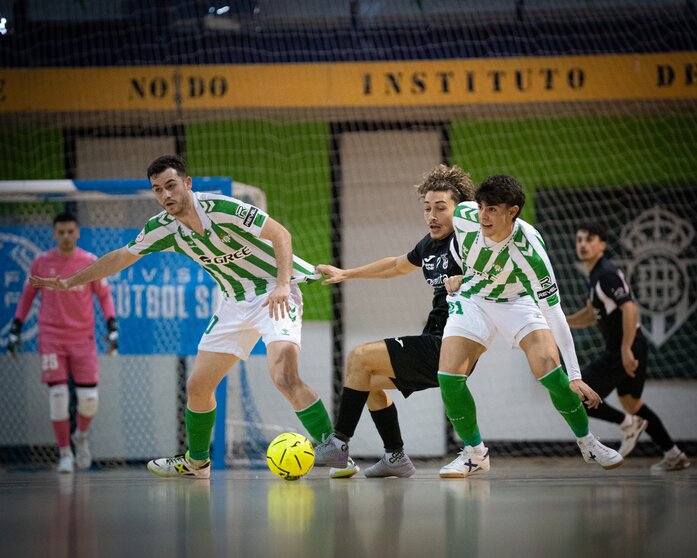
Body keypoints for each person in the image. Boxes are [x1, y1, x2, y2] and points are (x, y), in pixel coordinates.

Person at [29, 155, 338, 479]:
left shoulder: (223, 208)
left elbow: (281, 235)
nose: (166, 195)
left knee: (283, 376)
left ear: (187, 184)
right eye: (158, 189)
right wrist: (69, 281)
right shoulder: (163, 228)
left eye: (171, 185)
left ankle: (336, 449)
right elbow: (121, 256)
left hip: (274, 293)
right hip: (234, 303)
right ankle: (197, 462)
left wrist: (283, 284)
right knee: (198, 385)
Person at [437, 174, 623, 478]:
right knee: (448, 375)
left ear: (513, 211)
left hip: (516, 300)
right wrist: (455, 271)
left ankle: (587, 442)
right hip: (474, 297)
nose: (483, 215)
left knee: (549, 369)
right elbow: (450, 241)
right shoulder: (463, 215)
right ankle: (474, 453)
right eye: (482, 206)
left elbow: (555, 313)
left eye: (493, 209)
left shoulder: (530, 252)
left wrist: (575, 375)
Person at [312, 164, 475, 477]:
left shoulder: (470, 243)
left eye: (441, 208)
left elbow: (491, 271)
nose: (432, 216)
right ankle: (395, 456)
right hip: (436, 342)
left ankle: (338, 442)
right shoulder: (429, 245)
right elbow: (396, 266)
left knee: (359, 356)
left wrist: (466, 280)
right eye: (427, 208)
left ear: (461, 211)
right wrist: (347, 273)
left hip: (453, 342)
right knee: (366, 381)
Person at [567, 223, 690, 472]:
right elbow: (591, 315)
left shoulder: (606, 274)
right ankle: (674, 454)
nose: (582, 244)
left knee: (576, 395)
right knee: (632, 402)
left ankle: (627, 424)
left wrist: (625, 350)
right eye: (579, 240)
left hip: (624, 348)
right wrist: (562, 322)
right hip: (630, 346)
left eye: (589, 239)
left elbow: (629, 307)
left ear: (602, 244)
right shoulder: (594, 277)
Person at [7, 212, 119, 473]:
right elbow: (26, 297)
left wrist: (112, 325)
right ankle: (64, 453)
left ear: (77, 232)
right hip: (51, 338)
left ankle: (80, 437)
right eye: (61, 232)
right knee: (58, 395)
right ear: (54, 233)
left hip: (83, 338)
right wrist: (16, 328)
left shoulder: (90, 262)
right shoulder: (41, 263)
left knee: (89, 399)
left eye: (71, 231)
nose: (66, 236)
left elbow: (104, 297)